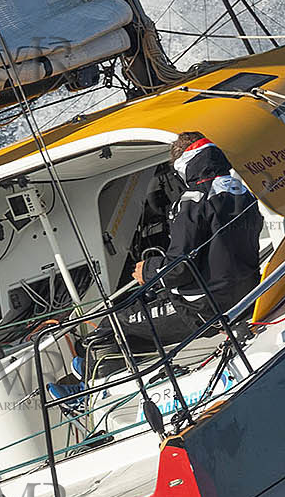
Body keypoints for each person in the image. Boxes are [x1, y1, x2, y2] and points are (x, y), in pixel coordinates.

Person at [86, 132, 263, 360]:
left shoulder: (192, 201)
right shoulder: (240, 191)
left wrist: (147, 270)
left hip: (203, 309)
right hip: (246, 293)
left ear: (182, 164)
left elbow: (179, 268)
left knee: (115, 322)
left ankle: (83, 389)